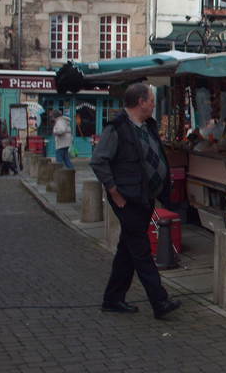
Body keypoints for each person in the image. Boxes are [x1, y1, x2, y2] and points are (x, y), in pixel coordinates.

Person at [90, 83, 181, 319]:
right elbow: (99, 161)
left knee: (127, 250)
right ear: (141, 102)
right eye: (151, 100)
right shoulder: (117, 128)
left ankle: (113, 299)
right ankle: (159, 301)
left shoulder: (147, 126)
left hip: (144, 197)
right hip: (127, 199)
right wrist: (114, 192)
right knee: (141, 250)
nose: (153, 104)